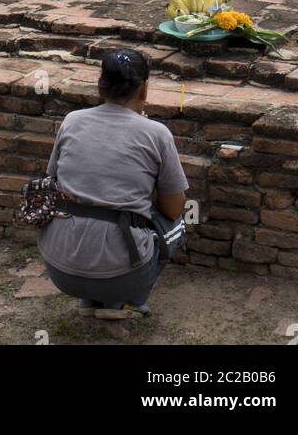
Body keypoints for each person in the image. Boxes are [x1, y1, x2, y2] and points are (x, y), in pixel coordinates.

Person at [39, 48, 187, 320]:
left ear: (100, 84)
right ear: (143, 90)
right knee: (177, 224)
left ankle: (90, 300)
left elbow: (55, 181)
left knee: (91, 209)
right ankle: (129, 301)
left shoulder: (71, 121)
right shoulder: (156, 134)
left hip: (60, 269)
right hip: (122, 274)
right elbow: (174, 208)